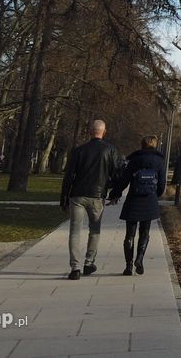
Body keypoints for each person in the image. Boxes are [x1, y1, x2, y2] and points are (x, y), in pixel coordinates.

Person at [60, 119, 120, 280]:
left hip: (77, 195)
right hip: (97, 196)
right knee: (95, 230)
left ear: (89, 131)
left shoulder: (79, 151)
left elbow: (69, 176)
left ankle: (75, 268)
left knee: (74, 231)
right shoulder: (110, 150)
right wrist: (114, 192)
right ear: (104, 131)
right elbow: (117, 173)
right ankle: (89, 262)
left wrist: (64, 197)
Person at [108, 135, 166, 275]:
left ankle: (128, 266)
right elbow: (162, 183)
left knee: (130, 234)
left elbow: (124, 180)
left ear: (142, 145)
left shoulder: (134, 160)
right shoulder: (159, 161)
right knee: (145, 232)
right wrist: (155, 195)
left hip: (134, 199)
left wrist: (115, 194)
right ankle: (139, 259)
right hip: (149, 199)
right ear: (155, 145)